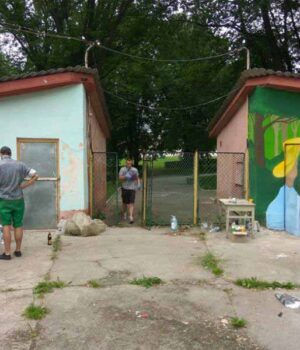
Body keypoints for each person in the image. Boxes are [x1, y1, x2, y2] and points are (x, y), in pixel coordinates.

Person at [0, 146, 38, 260]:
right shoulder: (20, 165)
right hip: (18, 200)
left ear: (1, 154)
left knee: (6, 226)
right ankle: (18, 250)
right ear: (10, 154)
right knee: (18, 224)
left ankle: (7, 253)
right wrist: (24, 185)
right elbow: (35, 174)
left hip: (3, 200)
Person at [266, 138, 300, 236]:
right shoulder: (287, 191)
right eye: (294, 167)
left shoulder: (288, 190)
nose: (295, 170)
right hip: (278, 221)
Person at [119, 159, 140, 224]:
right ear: (125, 163)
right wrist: (126, 177)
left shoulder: (135, 170)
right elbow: (120, 178)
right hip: (125, 188)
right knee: (124, 203)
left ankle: (131, 216)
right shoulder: (122, 169)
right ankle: (124, 213)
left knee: (131, 202)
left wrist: (138, 184)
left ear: (132, 164)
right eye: (127, 163)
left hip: (132, 188)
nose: (129, 165)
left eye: (130, 164)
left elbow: (137, 177)